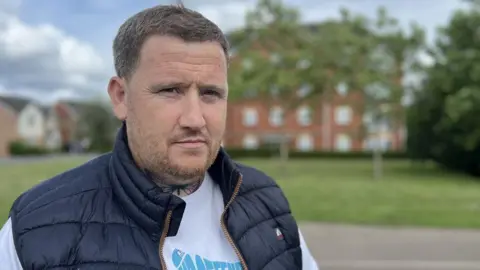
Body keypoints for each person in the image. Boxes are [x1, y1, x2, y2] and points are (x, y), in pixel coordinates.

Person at [0, 4, 319, 270]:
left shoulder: (266, 203)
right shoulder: (37, 226)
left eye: (210, 94)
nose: (195, 119)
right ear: (121, 97)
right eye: (170, 91)